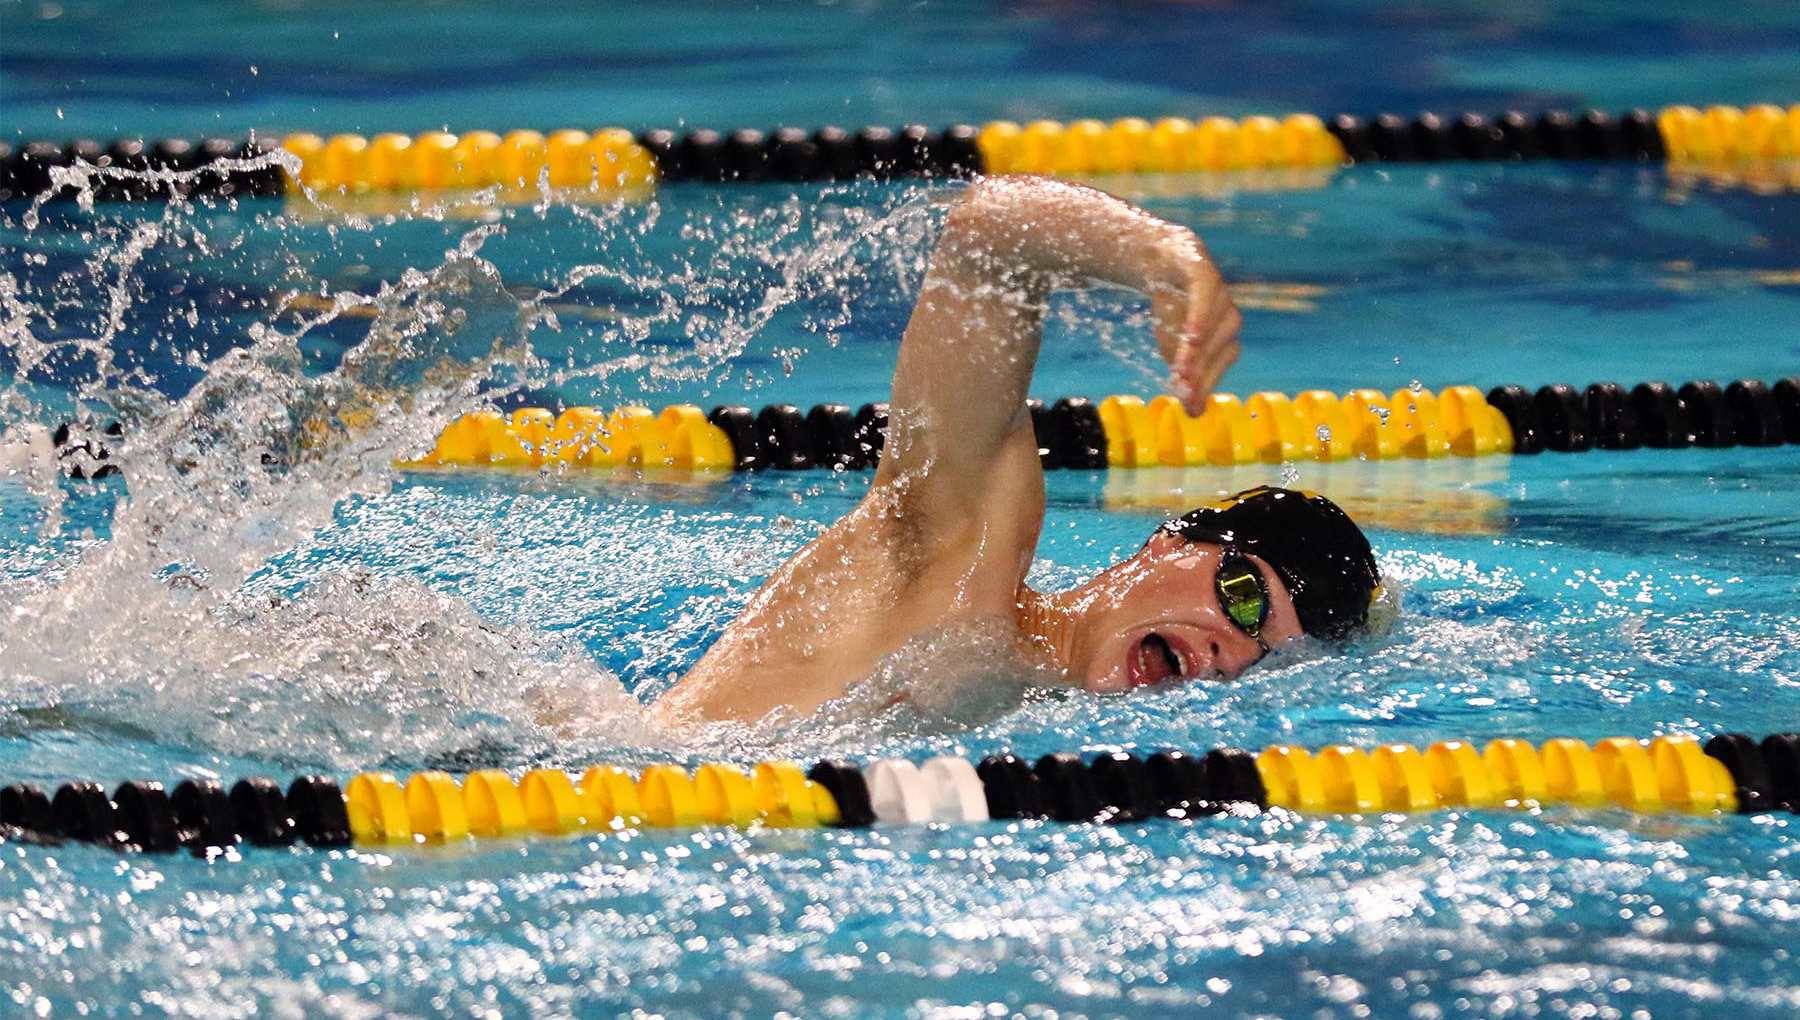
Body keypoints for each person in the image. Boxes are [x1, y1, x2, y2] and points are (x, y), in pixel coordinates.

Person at [654, 176, 1379, 725]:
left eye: (1270, 659)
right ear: (1166, 542)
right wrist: (1162, 255)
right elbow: (988, 235)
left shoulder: (1031, 713)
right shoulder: (955, 560)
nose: (1233, 652)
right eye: (1244, 597)